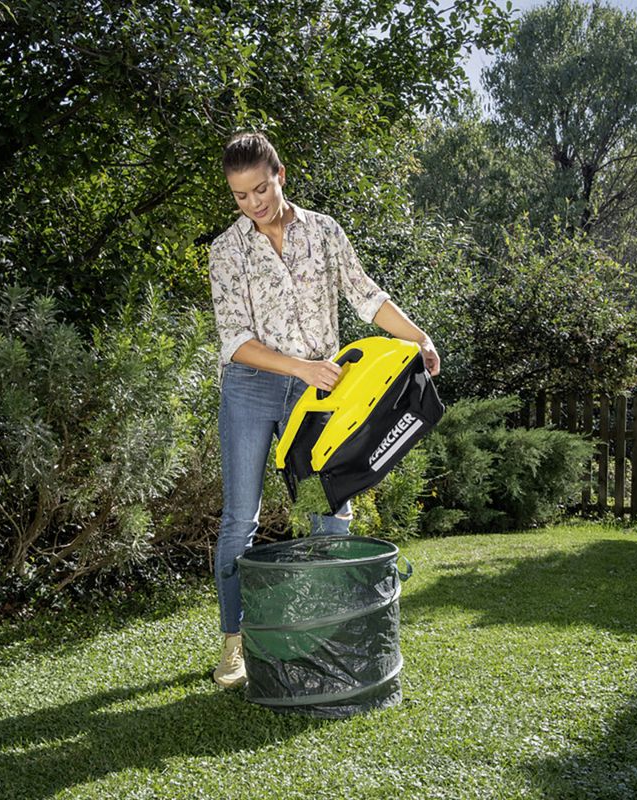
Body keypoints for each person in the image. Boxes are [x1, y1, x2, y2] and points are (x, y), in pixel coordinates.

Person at [208, 132, 440, 688]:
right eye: (241, 196)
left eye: (260, 188)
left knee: (329, 507)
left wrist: (419, 338)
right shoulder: (226, 251)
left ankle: (331, 630)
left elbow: (367, 296)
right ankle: (234, 643)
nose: (254, 203)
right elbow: (235, 340)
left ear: (280, 175)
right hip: (252, 387)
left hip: (320, 393)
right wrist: (302, 367)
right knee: (242, 517)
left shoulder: (325, 231)